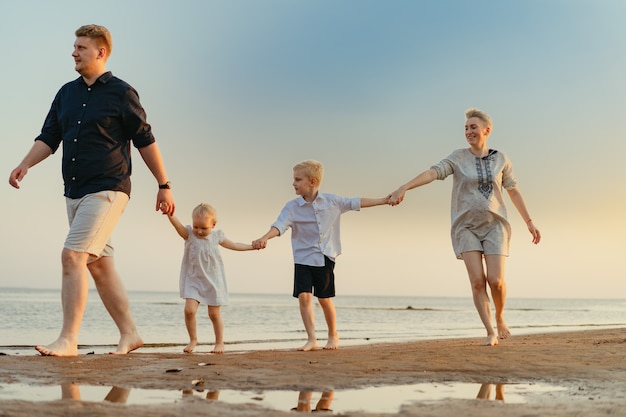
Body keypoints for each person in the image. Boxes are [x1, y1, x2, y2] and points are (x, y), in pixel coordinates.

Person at [8, 24, 175, 357]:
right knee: (98, 264)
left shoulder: (122, 93)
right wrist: (26, 163)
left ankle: (68, 339)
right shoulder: (66, 93)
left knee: (72, 256)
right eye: (74, 46)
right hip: (74, 191)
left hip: (108, 189)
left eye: (81, 47)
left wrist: (164, 185)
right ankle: (131, 334)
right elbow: (49, 137)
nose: (74, 52)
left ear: (100, 52)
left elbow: (145, 141)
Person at [389, 108, 541, 346]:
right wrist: (404, 187)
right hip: (465, 226)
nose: (468, 131)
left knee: (496, 280)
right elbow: (433, 173)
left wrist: (529, 222)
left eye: (473, 127)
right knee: (477, 281)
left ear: (486, 130)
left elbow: (513, 189)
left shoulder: (501, 158)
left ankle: (500, 317)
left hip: (495, 225)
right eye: (466, 128)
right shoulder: (458, 157)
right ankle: (490, 331)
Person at [252, 160, 389, 351]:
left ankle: (333, 335)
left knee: (324, 298)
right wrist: (264, 238)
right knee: (304, 297)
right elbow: (279, 225)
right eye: (294, 179)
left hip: (325, 255)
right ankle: (312, 339)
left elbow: (357, 202)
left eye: (298, 179)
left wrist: (384, 200)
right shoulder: (292, 207)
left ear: (312, 181)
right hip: (302, 258)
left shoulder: (332, 201)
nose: (293, 183)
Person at [167, 203, 256, 354]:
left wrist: (251, 246)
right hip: (193, 279)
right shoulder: (189, 234)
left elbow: (234, 245)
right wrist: (170, 214)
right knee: (189, 310)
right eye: (196, 226)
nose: (199, 231)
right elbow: (178, 226)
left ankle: (219, 342)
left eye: (204, 228)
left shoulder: (216, 236)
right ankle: (193, 339)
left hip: (213, 281)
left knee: (214, 314)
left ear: (213, 225)